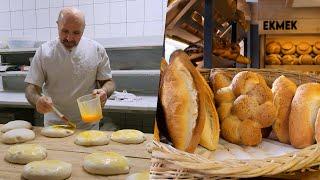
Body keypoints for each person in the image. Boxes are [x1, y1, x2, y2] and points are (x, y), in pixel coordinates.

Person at [25, 7, 115, 130]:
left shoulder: (97, 50)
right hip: (55, 124)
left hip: (88, 124)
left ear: (83, 29)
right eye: (65, 31)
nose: (69, 38)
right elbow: (31, 88)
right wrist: (37, 100)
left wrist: (104, 91)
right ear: (57, 25)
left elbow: (108, 82)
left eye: (76, 33)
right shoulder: (44, 52)